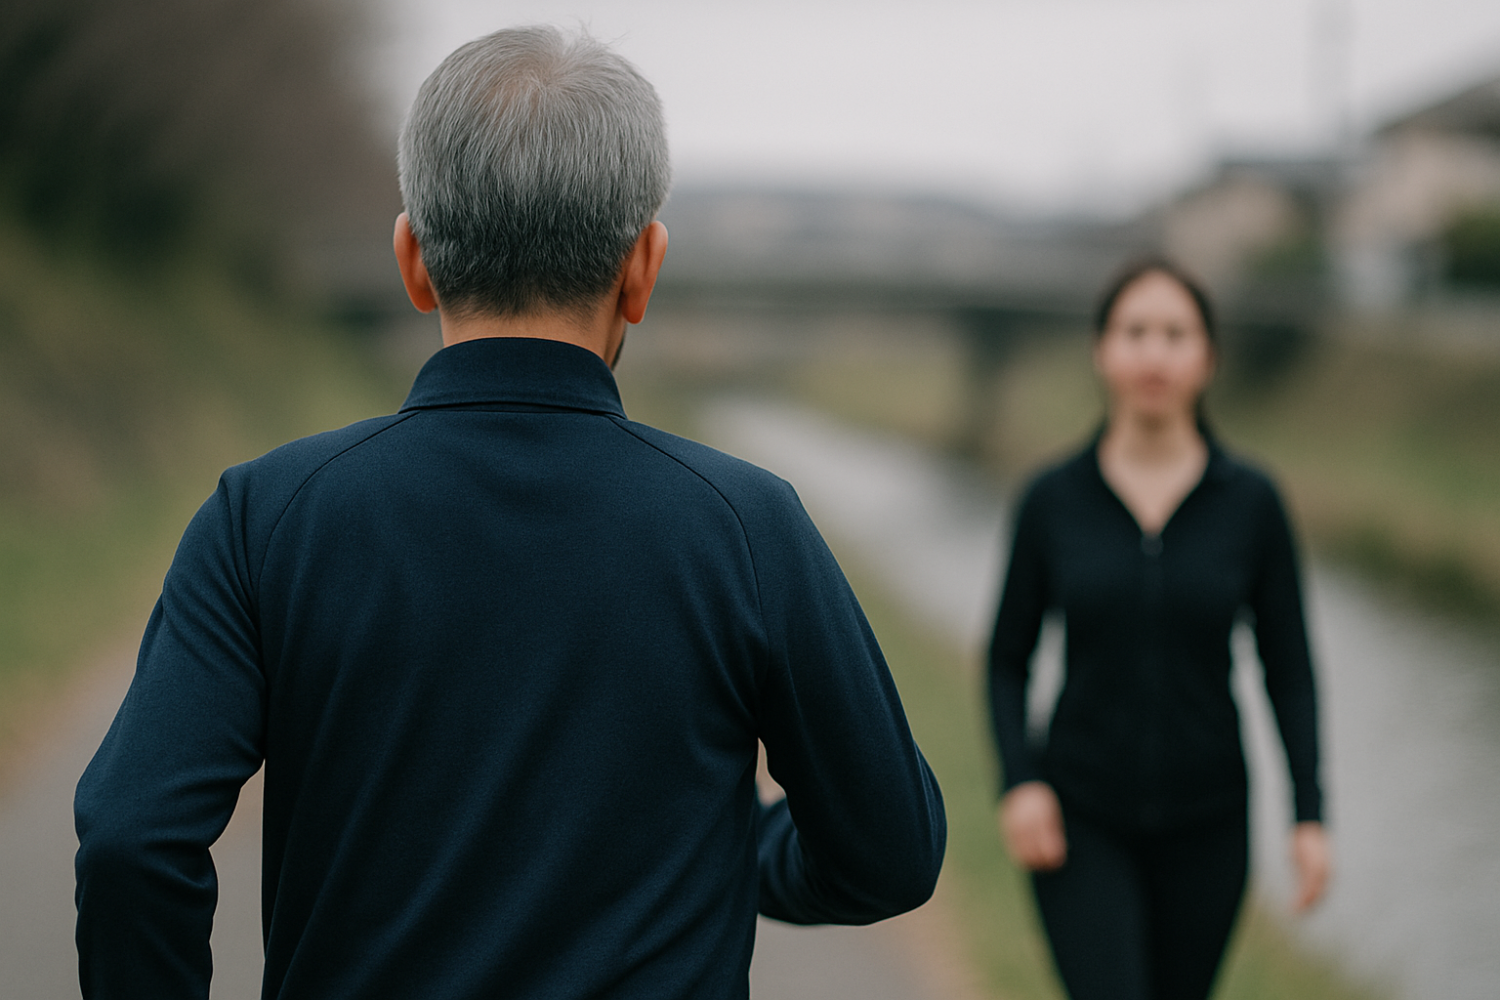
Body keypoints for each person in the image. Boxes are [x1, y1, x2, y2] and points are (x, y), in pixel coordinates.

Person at [74, 26, 945, 1000]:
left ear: (412, 259)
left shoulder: (265, 517)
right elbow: (890, 852)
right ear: (643, 269)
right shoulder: (748, 526)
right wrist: (736, 856)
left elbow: (130, 838)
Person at [986, 258, 1330, 1000]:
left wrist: (1309, 814)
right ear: (1102, 350)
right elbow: (1006, 657)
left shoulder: (1252, 504)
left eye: (1176, 334)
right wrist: (1020, 784)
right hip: (1080, 817)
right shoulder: (1053, 500)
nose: (1154, 352)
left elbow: (1289, 667)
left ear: (1206, 357)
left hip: (1208, 823)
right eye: (1135, 331)